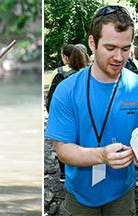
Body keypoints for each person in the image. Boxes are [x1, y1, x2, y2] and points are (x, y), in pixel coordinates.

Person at [45, 5, 138, 215]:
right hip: (79, 193)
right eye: (110, 48)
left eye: (125, 49)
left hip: (122, 192)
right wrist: (102, 156)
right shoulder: (67, 90)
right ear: (92, 43)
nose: (119, 57)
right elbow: (63, 151)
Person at [46, 44, 89, 183]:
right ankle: (82, 170)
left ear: (65, 57)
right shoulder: (87, 71)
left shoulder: (58, 72)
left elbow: (51, 97)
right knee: (82, 143)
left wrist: (51, 114)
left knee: (63, 143)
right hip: (83, 115)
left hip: (64, 115)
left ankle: (64, 175)